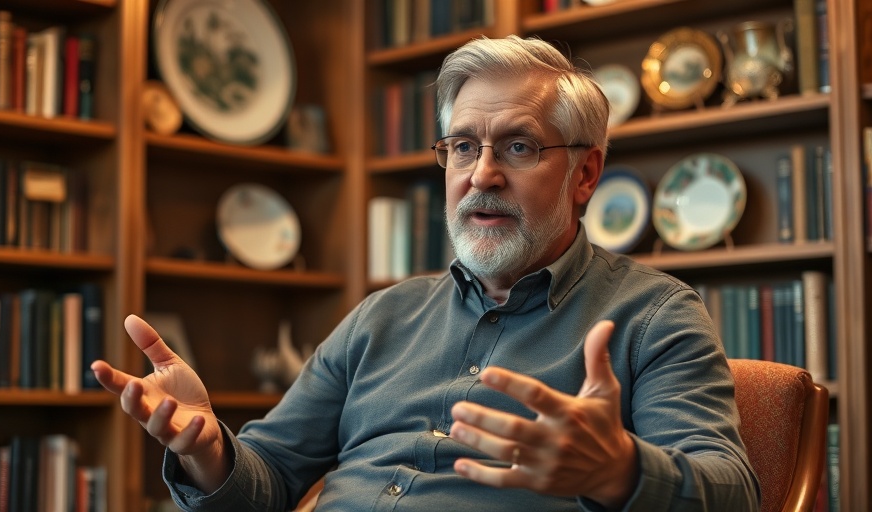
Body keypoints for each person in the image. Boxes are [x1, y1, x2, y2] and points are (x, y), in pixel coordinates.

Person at [91, 35, 760, 511]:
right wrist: (207, 452)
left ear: (585, 174)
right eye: (463, 146)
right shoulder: (383, 316)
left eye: (519, 146)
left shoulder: (656, 315)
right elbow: (268, 481)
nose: (482, 173)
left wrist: (619, 472)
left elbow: (733, 490)